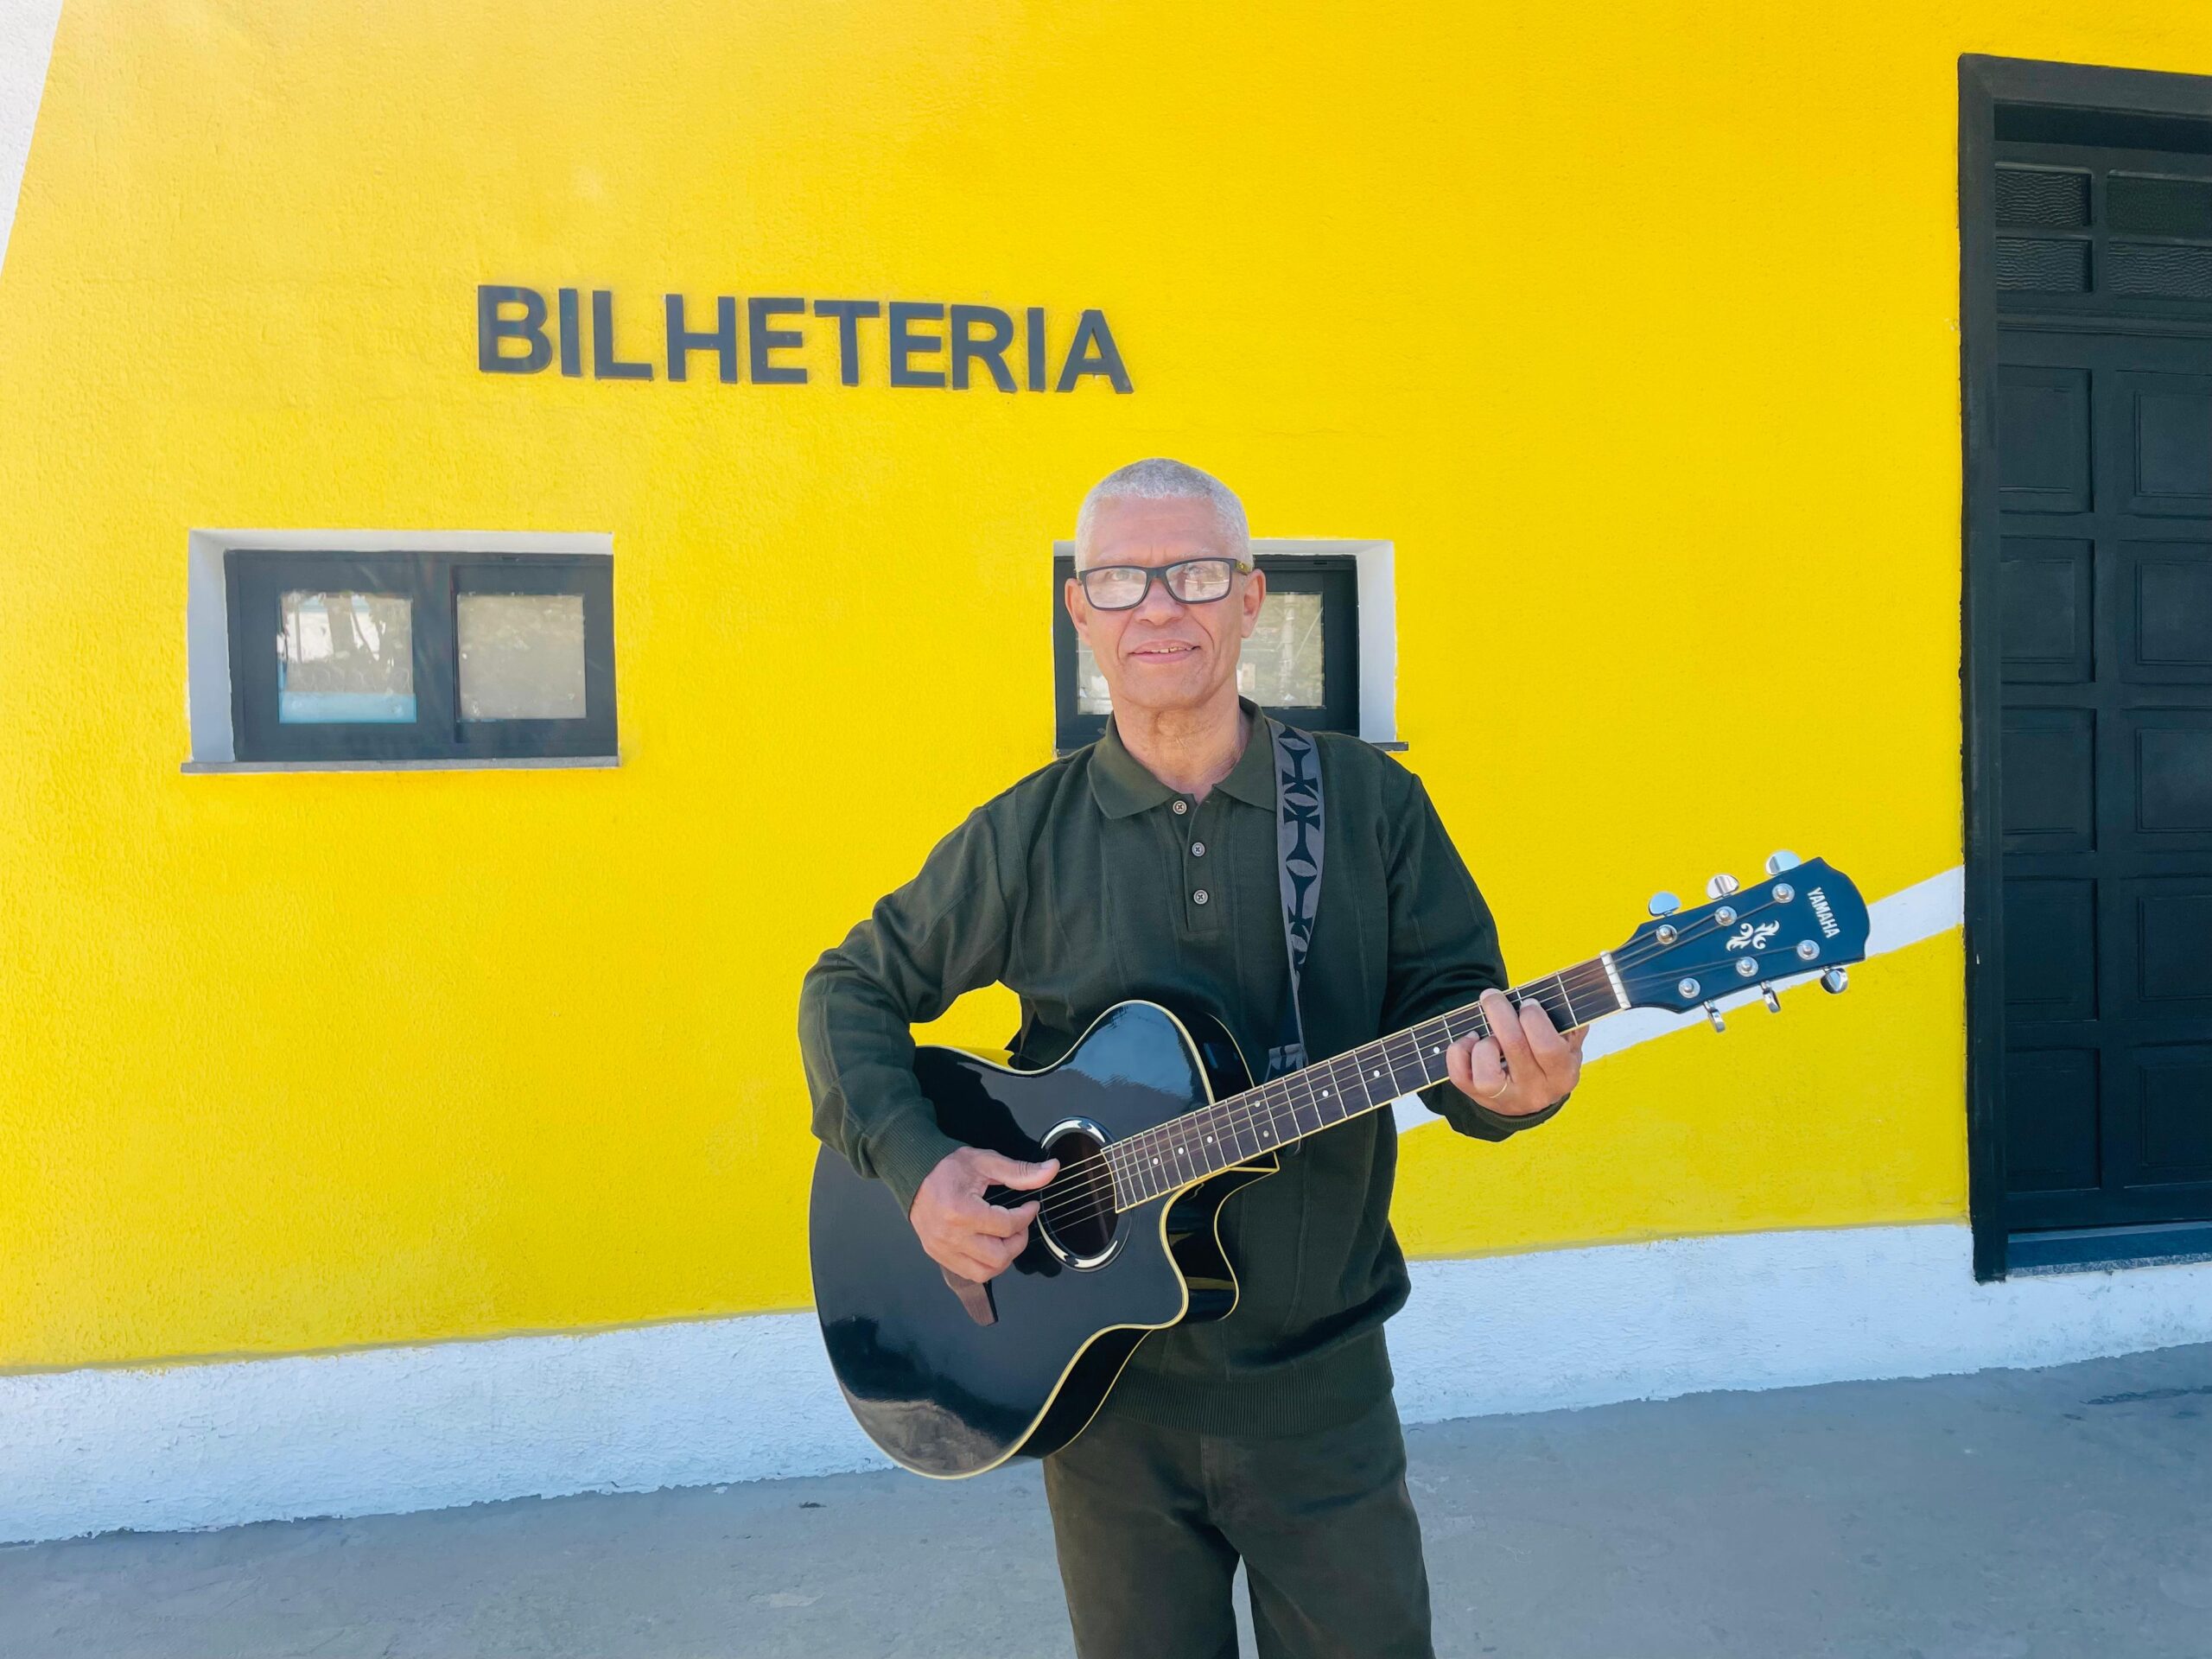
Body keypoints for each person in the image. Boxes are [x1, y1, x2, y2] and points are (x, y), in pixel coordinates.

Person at [798, 457, 1583, 1659]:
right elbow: (847, 989)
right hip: (1098, 1396)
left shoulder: (1371, 808)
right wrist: (920, 1171)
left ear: (1252, 598)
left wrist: (1515, 1095)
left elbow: (1456, 1030)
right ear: (1081, 611)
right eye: (1122, 580)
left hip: (1321, 1391)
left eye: (1196, 575)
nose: (1159, 606)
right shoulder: (1027, 835)